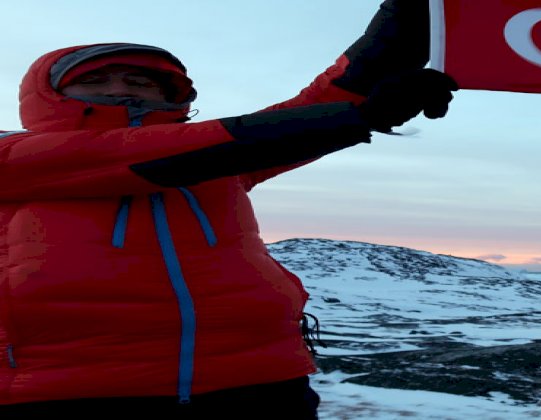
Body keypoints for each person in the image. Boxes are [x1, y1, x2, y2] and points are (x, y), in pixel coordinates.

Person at [0, 1, 456, 418]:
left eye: (141, 82)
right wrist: (355, 119)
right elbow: (155, 152)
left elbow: (323, 103)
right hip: (64, 391)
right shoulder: (14, 158)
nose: (122, 91)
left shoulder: (221, 162)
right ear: (48, 95)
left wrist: (414, 14)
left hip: (259, 383)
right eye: (95, 80)